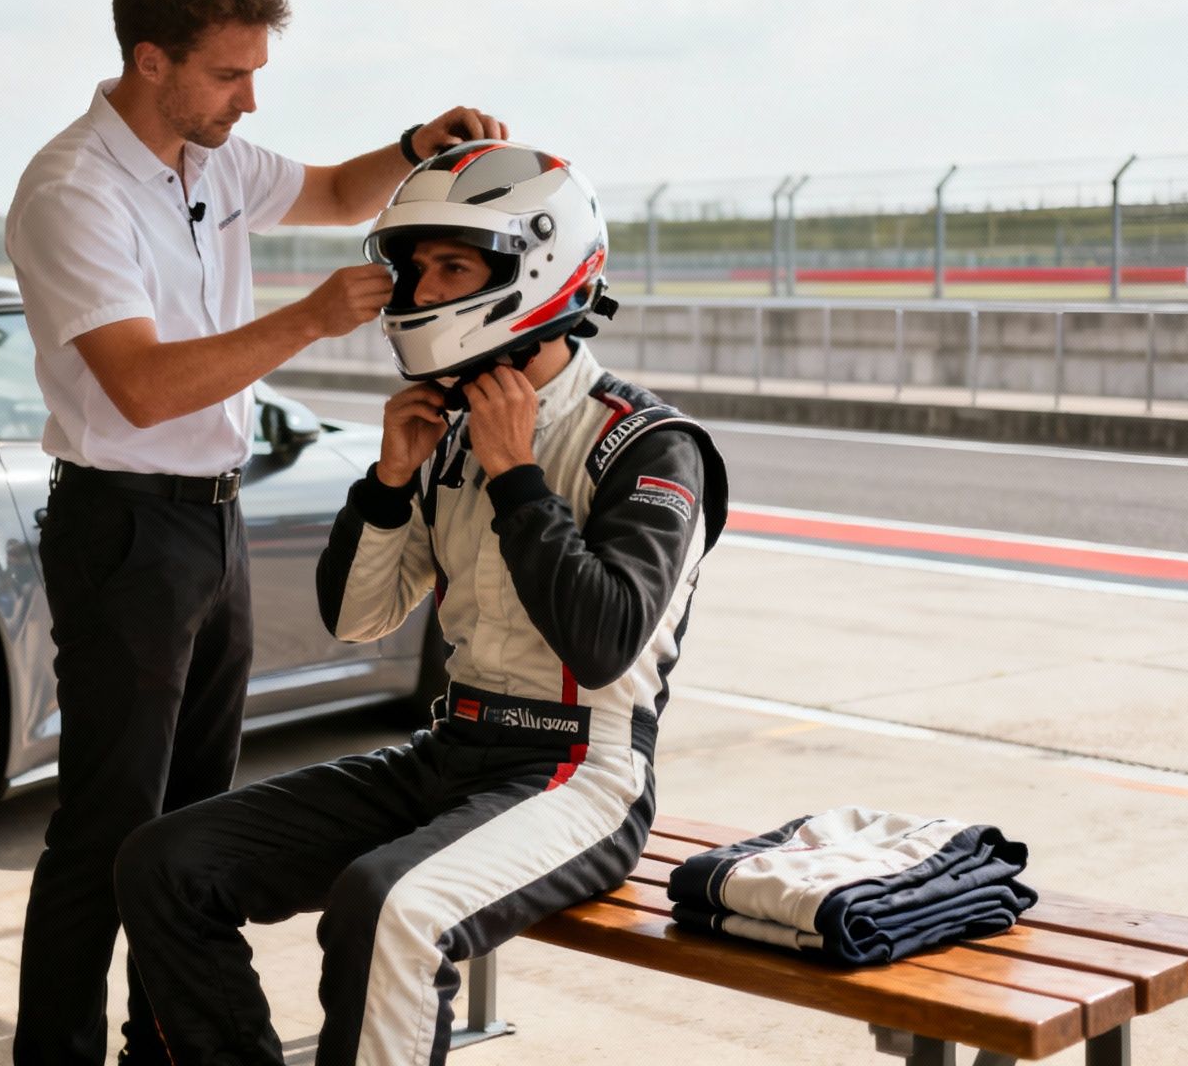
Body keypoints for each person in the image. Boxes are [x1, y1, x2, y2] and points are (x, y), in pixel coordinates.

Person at [114, 140, 731, 1066]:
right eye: (415, 268)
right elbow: (355, 619)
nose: (421, 292)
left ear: (541, 267)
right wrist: (390, 481)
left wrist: (518, 475)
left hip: (582, 776)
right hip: (454, 749)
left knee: (387, 905)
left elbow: (601, 643)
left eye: (453, 267)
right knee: (164, 863)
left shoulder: (648, 445)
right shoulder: (441, 432)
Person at [6, 0, 509, 1066]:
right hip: (124, 524)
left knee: (190, 829)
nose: (250, 97)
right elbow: (137, 386)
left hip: (211, 518)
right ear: (150, 60)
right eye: (231, 74)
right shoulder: (71, 189)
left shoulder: (209, 159)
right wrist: (307, 320)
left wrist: (417, 147)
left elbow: (333, 192)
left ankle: (161, 1048)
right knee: (105, 831)